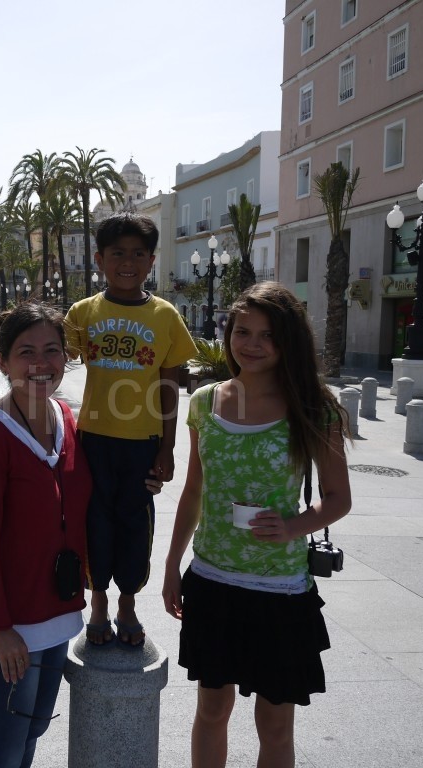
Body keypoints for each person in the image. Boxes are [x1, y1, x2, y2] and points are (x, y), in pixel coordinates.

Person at [161, 282, 352, 768]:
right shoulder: (204, 402)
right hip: (212, 581)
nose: (250, 344)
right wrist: (170, 565)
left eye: (267, 335)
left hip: (280, 591)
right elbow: (193, 491)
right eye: (242, 331)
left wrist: (294, 526)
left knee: (275, 724)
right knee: (211, 709)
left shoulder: (314, 409)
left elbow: (338, 499)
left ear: (288, 342)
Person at [0, 301, 90, 768]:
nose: (41, 364)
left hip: (54, 614)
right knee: (4, 743)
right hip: (8, 625)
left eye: (52, 350)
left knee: (32, 727)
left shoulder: (65, 421)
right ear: (2, 361)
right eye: (25, 351)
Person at [65, 212, 197, 648]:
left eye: (138, 254)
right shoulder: (82, 313)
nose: (128, 262)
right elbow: (49, 364)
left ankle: (127, 601)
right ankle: (98, 598)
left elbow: (170, 385)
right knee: (95, 519)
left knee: (135, 522)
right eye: (117, 253)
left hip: (143, 443)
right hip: (93, 441)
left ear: (151, 260)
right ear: (100, 259)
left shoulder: (165, 315)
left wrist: (168, 447)